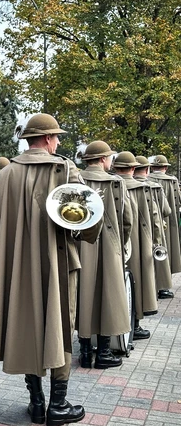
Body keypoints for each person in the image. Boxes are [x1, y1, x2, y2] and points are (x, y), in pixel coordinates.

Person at [0, 113, 102, 426]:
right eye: (56, 136)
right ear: (46, 139)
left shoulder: (5, 174)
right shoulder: (64, 168)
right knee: (59, 326)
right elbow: (91, 218)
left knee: (26, 324)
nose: (58, 141)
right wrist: (83, 235)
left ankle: (37, 401)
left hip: (18, 266)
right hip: (58, 263)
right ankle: (58, 404)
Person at [75, 141, 132, 370]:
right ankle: (104, 353)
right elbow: (127, 219)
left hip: (82, 244)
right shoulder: (116, 183)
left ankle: (86, 351)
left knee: (83, 294)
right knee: (109, 295)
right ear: (102, 159)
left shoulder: (76, 179)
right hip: (109, 244)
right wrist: (120, 242)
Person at [113, 152, 158, 339]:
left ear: (115, 167)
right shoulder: (143, 189)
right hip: (138, 243)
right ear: (133, 168)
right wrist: (155, 241)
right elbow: (155, 218)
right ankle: (135, 325)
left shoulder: (110, 185)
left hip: (114, 245)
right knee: (137, 284)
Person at [134, 156, 173, 301]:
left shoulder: (119, 184)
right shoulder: (153, 187)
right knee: (152, 260)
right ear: (146, 169)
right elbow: (166, 210)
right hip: (150, 229)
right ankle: (159, 289)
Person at [148, 154, 181, 299]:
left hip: (151, 222)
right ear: (166, 167)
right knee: (165, 253)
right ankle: (163, 287)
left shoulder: (146, 180)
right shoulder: (172, 181)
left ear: (152, 167)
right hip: (169, 222)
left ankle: (151, 284)